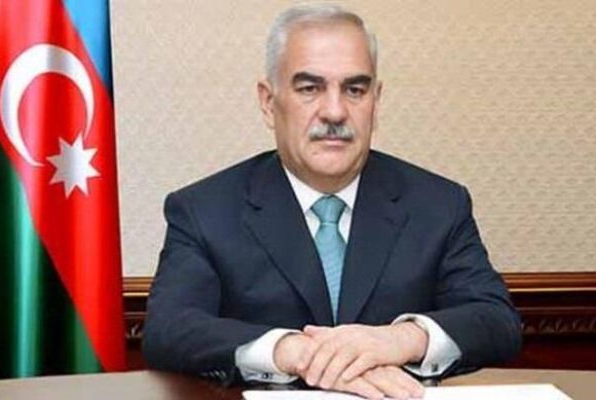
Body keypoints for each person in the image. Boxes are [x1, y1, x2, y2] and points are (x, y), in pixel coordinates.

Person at [143, 4, 522, 399]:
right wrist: (292, 351)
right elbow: (168, 330)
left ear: (376, 101)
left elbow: (497, 321)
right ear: (269, 102)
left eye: (355, 90)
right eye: (310, 88)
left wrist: (402, 339)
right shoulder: (204, 211)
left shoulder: (439, 204)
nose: (335, 111)